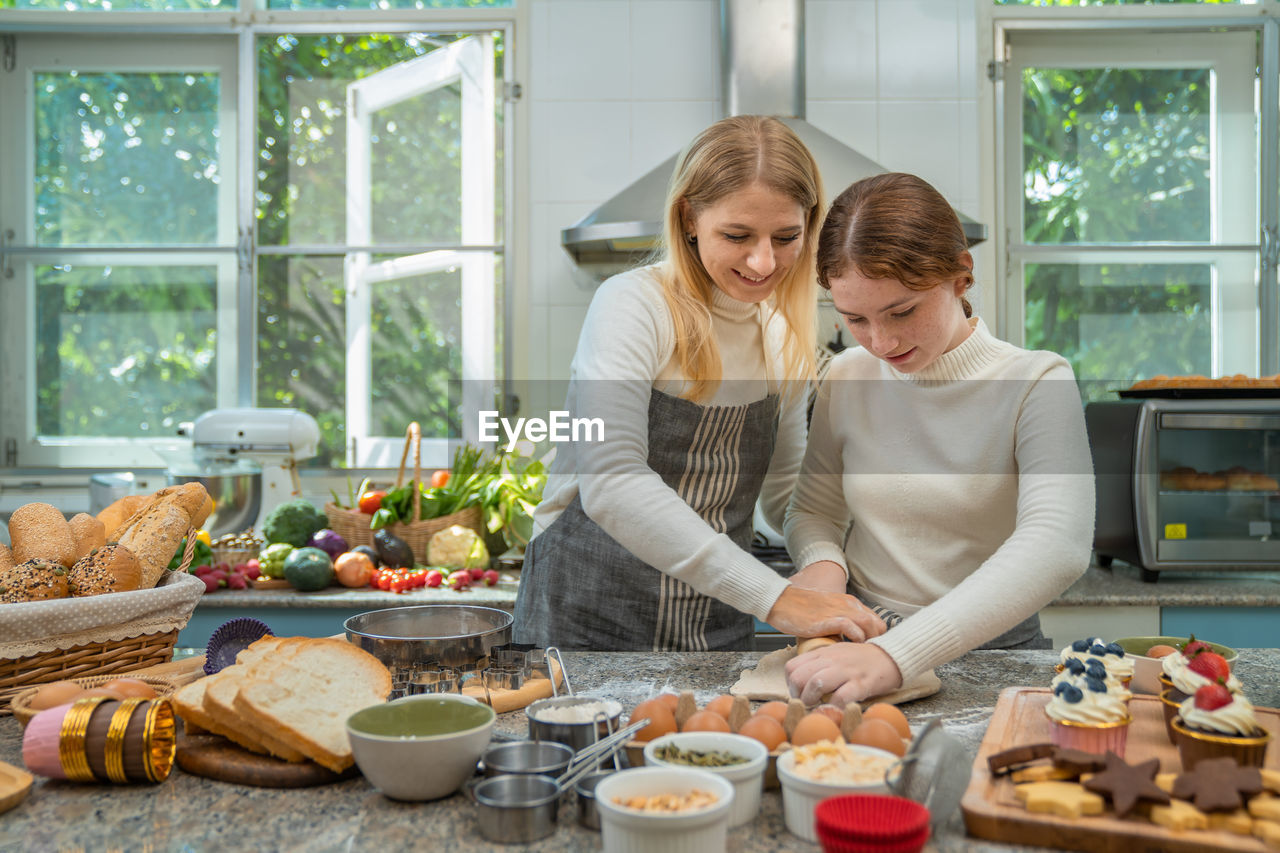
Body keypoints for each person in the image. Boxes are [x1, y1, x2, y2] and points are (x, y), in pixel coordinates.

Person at [514, 115, 885, 651]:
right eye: (737, 235)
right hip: (585, 620)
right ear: (689, 217)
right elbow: (612, 480)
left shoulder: (783, 337)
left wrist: (825, 558)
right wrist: (778, 600)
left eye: (786, 237)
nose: (764, 261)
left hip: (714, 628)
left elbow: (785, 495)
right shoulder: (632, 305)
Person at [783, 172, 1095, 705]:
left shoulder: (1039, 381)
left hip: (992, 651)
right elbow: (813, 510)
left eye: (902, 311)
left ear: (961, 275)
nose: (881, 341)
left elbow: (1058, 545)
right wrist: (825, 567)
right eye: (855, 318)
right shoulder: (846, 376)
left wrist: (897, 654)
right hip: (860, 640)